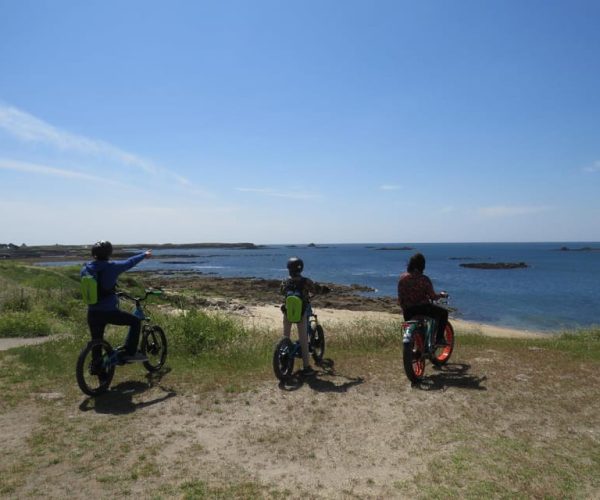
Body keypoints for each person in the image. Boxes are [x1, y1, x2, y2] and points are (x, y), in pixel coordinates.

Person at [81, 241, 152, 367]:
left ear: (93, 254)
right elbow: (129, 262)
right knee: (135, 322)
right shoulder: (112, 267)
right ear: (109, 253)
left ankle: (98, 371)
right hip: (108, 312)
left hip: (92, 312)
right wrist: (144, 255)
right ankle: (130, 353)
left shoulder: (85, 268)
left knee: (97, 341)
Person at [280, 257, 330, 375]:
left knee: (285, 337)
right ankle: (306, 367)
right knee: (303, 339)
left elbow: (282, 291)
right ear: (301, 268)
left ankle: (282, 360)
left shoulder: (285, 281)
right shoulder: (305, 281)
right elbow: (316, 290)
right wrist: (325, 290)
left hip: (287, 311)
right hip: (301, 312)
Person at [397, 252, 449, 345]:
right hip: (423, 309)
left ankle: (414, 352)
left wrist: (404, 307)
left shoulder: (402, 278)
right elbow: (433, 296)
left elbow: (400, 297)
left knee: (413, 331)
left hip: (408, 310)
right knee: (444, 313)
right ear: (422, 266)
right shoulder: (424, 279)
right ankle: (439, 338)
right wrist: (441, 295)